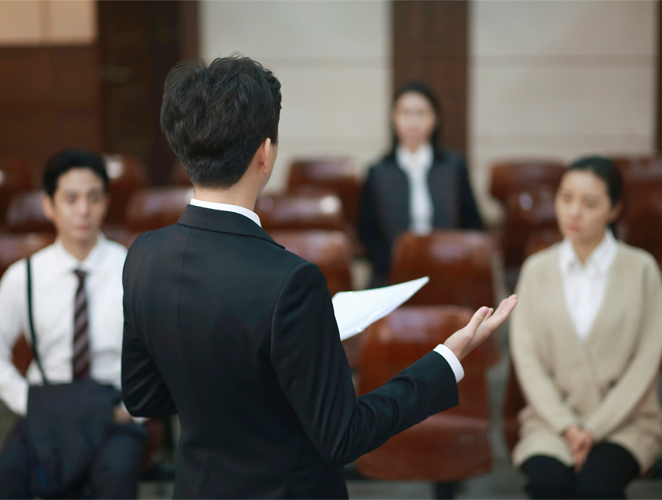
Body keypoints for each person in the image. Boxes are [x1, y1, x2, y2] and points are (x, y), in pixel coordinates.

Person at [121, 55, 517, 500]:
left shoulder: (142, 256)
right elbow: (343, 434)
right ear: (265, 154)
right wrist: (445, 359)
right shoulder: (290, 280)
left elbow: (143, 397)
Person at [510, 156, 662, 500]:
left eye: (589, 203)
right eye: (566, 198)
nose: (573, 212)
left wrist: (593, 429)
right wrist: (567, 426)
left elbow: (646, 361)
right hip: (551, 422)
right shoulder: (536, 269)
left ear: (614, 209)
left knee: (597, 487)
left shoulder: (642, 269)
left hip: (626, 421)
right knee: (549, 483)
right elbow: (527, 359)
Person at [0, 150, 146, 500]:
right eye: (71, 199)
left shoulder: (132, 271)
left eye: (93, 198)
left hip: (111, 408)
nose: (83, 210)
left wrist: (131, 410)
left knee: (117, 473)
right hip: (47, 405)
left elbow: (159, 351)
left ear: (106, 203)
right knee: (9, 472)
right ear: (48, 205)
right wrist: (24, 401)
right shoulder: (24, 276)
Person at [358, 81, 483, 287]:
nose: (413, 121)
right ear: (394, 118)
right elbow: (367, 229)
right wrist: (390, 265)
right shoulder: (378, 170)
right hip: (391, 272)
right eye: (405, 113)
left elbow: (472, 221)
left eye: (421, 113)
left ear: (435, 118)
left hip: (447, 267)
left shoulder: (453, 166)